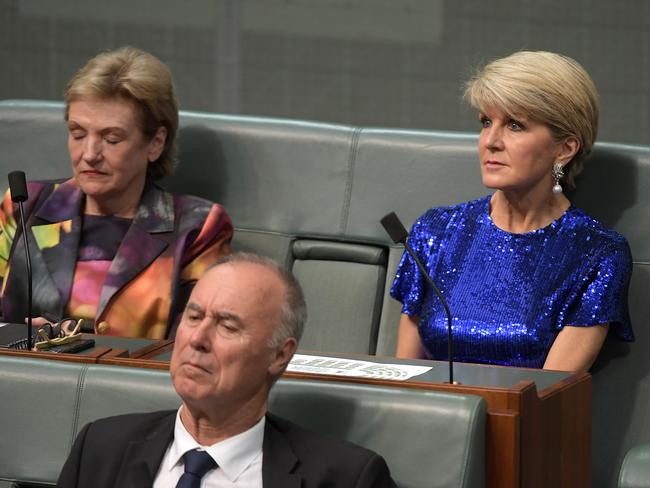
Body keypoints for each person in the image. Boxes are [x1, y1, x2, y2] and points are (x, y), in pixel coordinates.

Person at [57, 253, 397, 487]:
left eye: (227, 326)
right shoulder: (100, 449)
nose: (198, 339)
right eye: (193, 317)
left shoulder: (347, 479)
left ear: (279, 355)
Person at [391, 51, 633, 372]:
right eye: (486, 122)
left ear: (565, 148)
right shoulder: (436, 231)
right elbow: (401, 378)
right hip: (430, 418)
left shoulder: (597, 254)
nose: (490, 141)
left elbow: (549, 396)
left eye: (515, 125)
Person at [0, 46, 232, 338]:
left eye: (111, 139)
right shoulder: (24, 205)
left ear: (155, 144)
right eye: (78, 134)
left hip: (132, 381)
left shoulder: (197, 228)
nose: (90, 154)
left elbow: (197, 343)